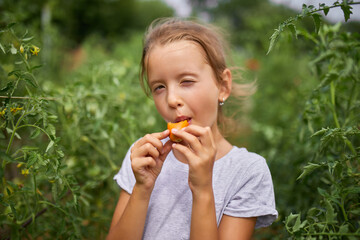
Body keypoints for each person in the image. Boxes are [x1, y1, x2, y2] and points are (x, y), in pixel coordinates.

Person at [107, 18, 278, 240]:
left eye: (186, 81)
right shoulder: (143, 158)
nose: (171, 99)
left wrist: (203, 189)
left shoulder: (247, 171)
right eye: (159, 87)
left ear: (223, 86)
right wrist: (142, 188)